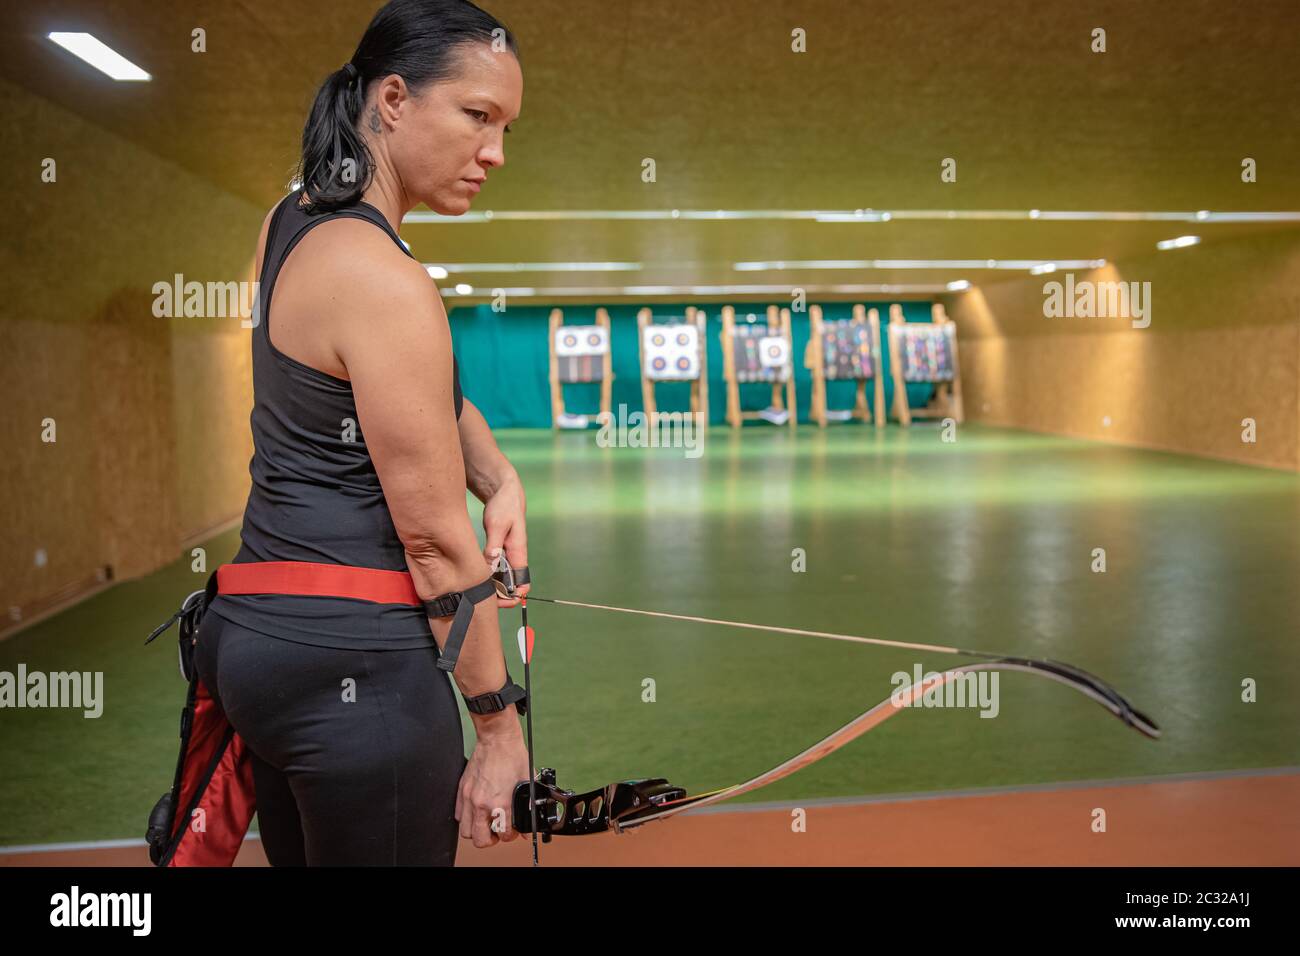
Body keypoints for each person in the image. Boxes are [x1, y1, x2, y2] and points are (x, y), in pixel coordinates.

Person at [194, 0, 527, 866]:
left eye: (505, 127)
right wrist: (498, 727)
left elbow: (412, 393)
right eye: (477, 115)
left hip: (256, 641)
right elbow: (436, 545)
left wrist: (499, 478)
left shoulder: (291, 219)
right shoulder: (385, 280)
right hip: (356, 664)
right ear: (392, 99)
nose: (495, 151)